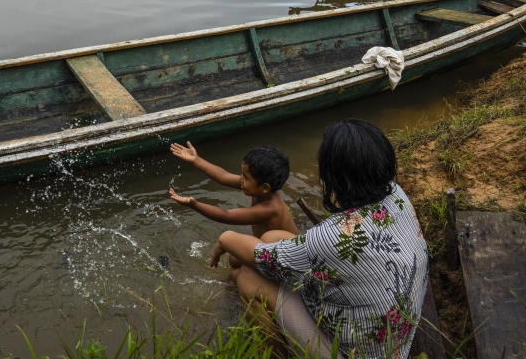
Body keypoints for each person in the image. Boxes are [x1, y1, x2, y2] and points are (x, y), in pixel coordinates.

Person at [208, 120, 428, 359]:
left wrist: (225, 237)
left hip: (355, 354)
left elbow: (261, 257)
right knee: (272, 237)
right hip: (393, 338)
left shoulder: (332, 236)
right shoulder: (395, 194)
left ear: (333, 176)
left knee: (250, 278)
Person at [168, 141, 298, 237]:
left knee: (235, 262)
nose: (241, 178)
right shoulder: (258, 188)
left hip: (288, 257)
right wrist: (196, 160)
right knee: (236, 258)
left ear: (265, 187)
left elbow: (226, 215)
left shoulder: (270, 209)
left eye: (246, 177)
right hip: (268, 246)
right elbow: (223, 176)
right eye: (242, 174)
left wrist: (194, 204)